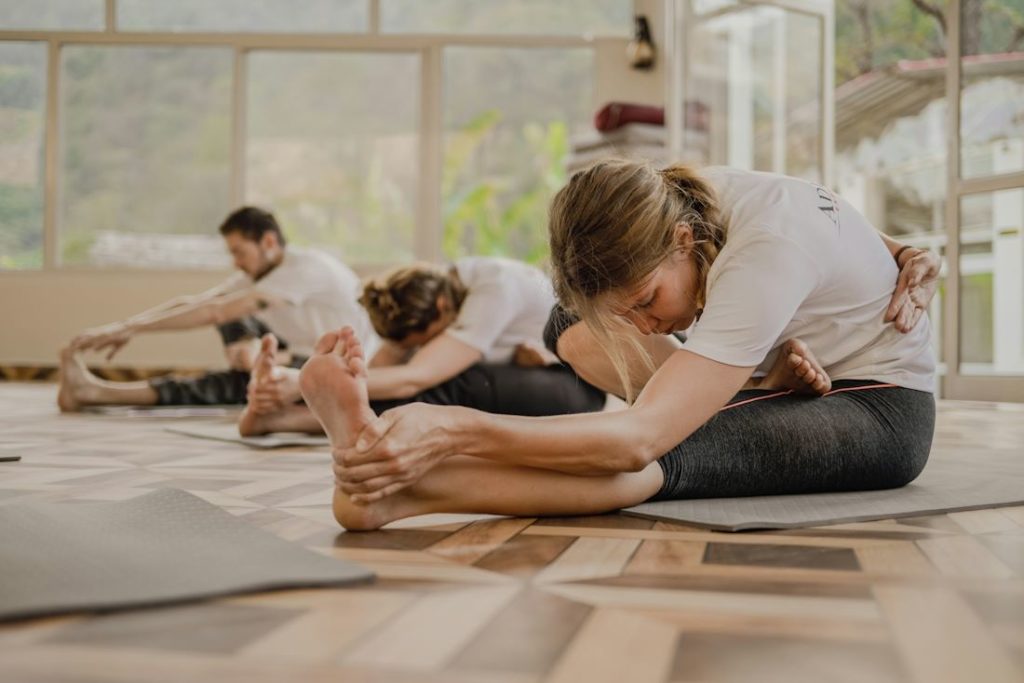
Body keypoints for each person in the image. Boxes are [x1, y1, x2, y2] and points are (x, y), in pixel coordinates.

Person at [298, 160, 940, 531]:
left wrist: (455, 428)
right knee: (565, 325)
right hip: (786, 377)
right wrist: (899, 249)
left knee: (661, 449)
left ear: (683, 243)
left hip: (879, 410)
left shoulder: (761, 250)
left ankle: (406, 492)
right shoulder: (686, 200)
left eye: (647, 300)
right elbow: (834, 226)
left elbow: (638, 438)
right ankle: (740, 401)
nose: (648, 324)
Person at [236, 257, 606, 436]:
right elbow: (384, 371)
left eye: (422, 341)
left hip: (576, 390)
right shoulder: (433, 292)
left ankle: (288, 419)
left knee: (454, 384)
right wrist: (305, 389)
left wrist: (297, 380)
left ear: (442, 312)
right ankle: (283, 416)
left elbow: (415, 377)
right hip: (517, 377)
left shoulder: (494, 289)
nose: (420, 347)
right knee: (438, 382)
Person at [57, 207, 375, 412]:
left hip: (339, 364)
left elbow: (216, 313)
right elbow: (197, 304)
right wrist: (126, 326)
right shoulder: (256, 276)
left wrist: (127, 329)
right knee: (226, 308)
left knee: (237, 355)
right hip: (295, 352)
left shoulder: (308, 267)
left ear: (268, 242)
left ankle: (97, 392)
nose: (235, 262)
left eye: (239, 252)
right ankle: (253, 361)